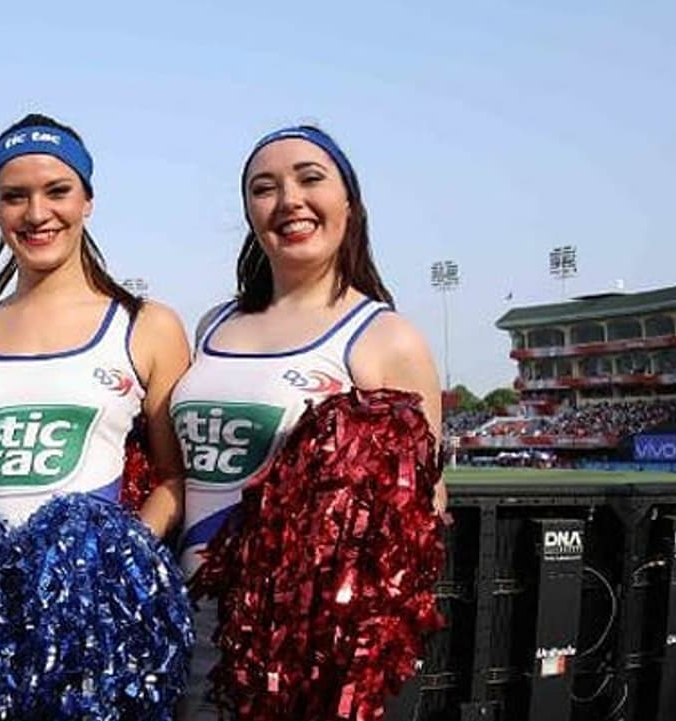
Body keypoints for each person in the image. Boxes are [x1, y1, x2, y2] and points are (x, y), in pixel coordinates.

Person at [172, 125, 447, 719]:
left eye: (310, 179)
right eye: (264, 188)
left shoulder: (385, 337)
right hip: (186, 608)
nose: (288, 200)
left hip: (293, 637)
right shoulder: (213, 324)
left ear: (349, 201)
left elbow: (423, 510)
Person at [0, 113, 190, 538]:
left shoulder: (147, 327)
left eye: (57, 191)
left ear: (87, 200)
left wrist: (122, 557)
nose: (36, 213)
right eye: (15, 196)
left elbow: (174, 479)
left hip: (94, 580)